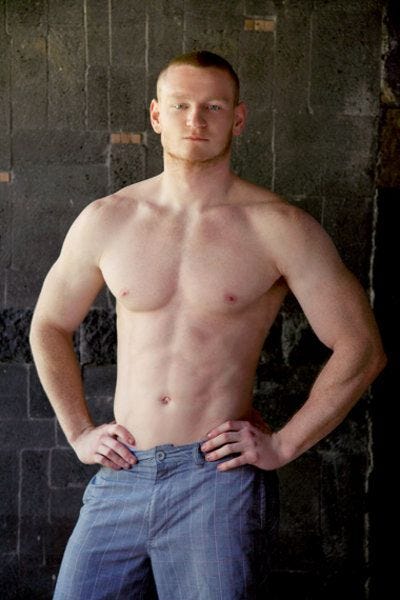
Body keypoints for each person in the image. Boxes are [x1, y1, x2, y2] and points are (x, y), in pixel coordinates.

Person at [29, 50, 386, 600]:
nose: (195, 119)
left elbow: (362, 348)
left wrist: (283, 445)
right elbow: (49, 325)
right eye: (180, 105)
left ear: (237, 119)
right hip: (123, 473)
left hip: (216, 481)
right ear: (156, 115)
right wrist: (78, 432)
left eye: (213, 107)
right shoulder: (107, 219)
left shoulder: (279, 226)